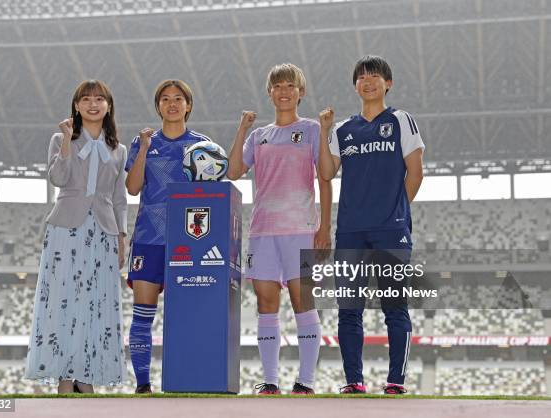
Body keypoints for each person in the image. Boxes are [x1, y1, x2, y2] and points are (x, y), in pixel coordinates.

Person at [317, 55, 425, 395]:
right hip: (350, 231)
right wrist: (323, 131)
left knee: (395, 305)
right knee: (349, 309)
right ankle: (354, 381)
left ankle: (396, 381)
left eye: (375, 75)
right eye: (362, 76)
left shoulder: (400, 120)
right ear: (355, 85)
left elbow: (416, 171)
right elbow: (325, 172)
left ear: (387, 83)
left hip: (390, 230)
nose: (368, 80)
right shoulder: (343, 129)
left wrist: (394, 211)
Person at [227, 63, 332, 395]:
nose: (284, 91)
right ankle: (270, 380)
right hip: (263, 231)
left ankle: (306, 382)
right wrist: (242, 129)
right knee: (265, 302)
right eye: (277, 86)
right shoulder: (260, 136)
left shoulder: (313, 129)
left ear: (300, 92)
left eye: (290, 85)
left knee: (303, 300)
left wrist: (324, 226)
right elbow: (232, 172)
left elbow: (326, 176)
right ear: (269, 92)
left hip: (301, 228)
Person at [25, 80, 128, 393]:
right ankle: (65, 377)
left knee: (97, 301)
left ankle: (87, 376)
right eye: (86, 99)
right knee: (64, 299)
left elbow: (119, 196)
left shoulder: (118, 149)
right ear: (76, 105)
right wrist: (68, 142)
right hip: (65, 228)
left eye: (99, 99)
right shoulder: (61, 138)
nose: (93, 104)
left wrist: (122, 235)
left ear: (108, 106)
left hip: (105, 230)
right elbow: (58, 178)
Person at [125, 79, 211, 393]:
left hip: (189, 240)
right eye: (165, 99)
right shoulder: (143, 142)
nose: (172, 104)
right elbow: (133, 188)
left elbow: (212, 193)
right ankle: (143, 385)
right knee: (142, 314)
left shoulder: (203, 146)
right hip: (149, 238)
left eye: (178, 98)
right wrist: (145, 148)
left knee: (185, 316)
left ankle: (183, 381)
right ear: (158, 105)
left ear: (188, 105)